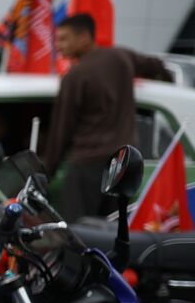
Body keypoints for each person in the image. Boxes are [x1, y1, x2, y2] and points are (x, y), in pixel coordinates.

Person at [43, 12, 173, 220]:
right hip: (124, 166)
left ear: (84, 37)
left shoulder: (75, 77)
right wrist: (168, 78)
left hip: (87, 166)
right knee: (114, 232)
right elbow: (155, 66)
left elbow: (61, 131)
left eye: (64, 38)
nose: (58, 46)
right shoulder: (121, 57)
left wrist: (45, 173)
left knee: (79, 236)